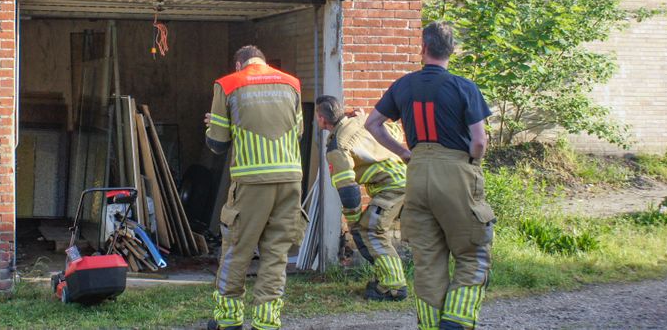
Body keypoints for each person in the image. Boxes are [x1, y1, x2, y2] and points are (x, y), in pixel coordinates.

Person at [364, 22, 495, 330]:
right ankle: (456, 321)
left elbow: (373, 124)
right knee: (473, 252)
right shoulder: (464, 87)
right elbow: (479, 141)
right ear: (452, 50)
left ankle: (430, 325)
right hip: (456, 172)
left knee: (428, 261)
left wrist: (405, 153)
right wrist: (471, 164)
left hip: (417, 173)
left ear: (423, 48)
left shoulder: (403, 85)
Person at [204, 45, 306, 330]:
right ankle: (266, 321)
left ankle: (228, 319)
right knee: (276, 254)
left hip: (251, 183)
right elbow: (298, 133)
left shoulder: (228, 84)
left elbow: (217, 144)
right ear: (263, 61)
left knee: (237, 250)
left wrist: (212, 126)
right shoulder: (292, 84)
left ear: (239, 65)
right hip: (290, 181)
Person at [315, 95, 408, 302]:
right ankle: (387, 279)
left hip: (392, 188)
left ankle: (393, 287)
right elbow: (396, 132)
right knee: (373, 230)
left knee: (369, 231)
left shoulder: (337, 147)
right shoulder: (363, 121)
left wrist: (353, 220)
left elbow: (348, 191)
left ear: (321, 119)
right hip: (408, 180)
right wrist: (363, 117)